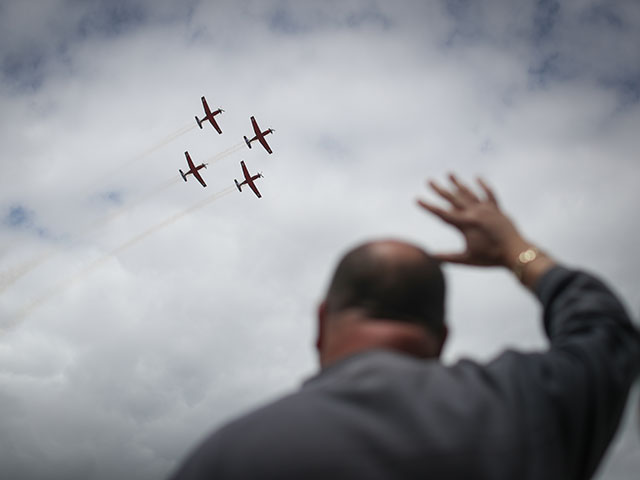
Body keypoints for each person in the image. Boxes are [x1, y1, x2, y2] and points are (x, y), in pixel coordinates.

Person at [169, 174, 640, 480]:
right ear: (443, 335)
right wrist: (513, 248)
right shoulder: (524, 403)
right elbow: (607, 332)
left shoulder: (220, 459)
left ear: (320, 320)